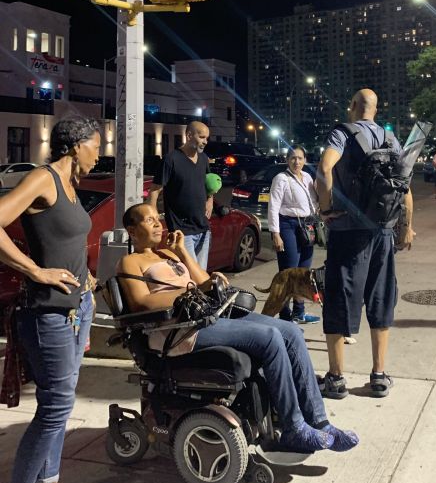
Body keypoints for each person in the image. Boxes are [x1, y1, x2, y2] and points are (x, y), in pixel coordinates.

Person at [117, 202, 359, 454]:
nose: (158, 223)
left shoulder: (169, 254)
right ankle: (294, 427)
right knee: (269, 338)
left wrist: (183, 253)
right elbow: (141, 302)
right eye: (149, 220)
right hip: (178, 331)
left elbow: (203, 282)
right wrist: (188, 294)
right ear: (132, 231)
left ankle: (319, 421)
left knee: (291, 332)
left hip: (206, 316)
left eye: (158, 218)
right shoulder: (130, 262)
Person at [0, 117, 102, 483]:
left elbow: (63, 239)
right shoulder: (43, 179)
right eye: (95, 145)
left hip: (76, 311)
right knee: (56, 406)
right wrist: (35, 270)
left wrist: (85, 274)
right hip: (48, 314)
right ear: (75, 146)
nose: (99, 153)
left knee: (60, 403)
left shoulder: (71, 186)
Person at [316, 89, 400, 400]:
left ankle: (337, 378)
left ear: (352, 106)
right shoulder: (390, 139)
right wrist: (406, 227)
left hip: (348, 230)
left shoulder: (342, 133)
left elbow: (324, 169)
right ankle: (379, 376)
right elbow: (403, 185)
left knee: (339, 298)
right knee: (381, 298)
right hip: (383, 232)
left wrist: (325, 209)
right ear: (376, 109)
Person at [147, 121, 213, 270]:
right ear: (189, 135)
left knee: (201, 275)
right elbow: (154, 191)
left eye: (207, 138)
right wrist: (152, 220)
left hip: (203, 229)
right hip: (181, 232)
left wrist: (210, 200)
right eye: (202, 137)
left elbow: (209, 184)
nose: (205, 142)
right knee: (190, 276)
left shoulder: (203, 159)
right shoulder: (171, 159)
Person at [267, 146, 320, 324]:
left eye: (300, 158)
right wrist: (276, 233)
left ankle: (299, 313)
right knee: (288, 273)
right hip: (288, 225)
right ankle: (284, 317)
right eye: (293, 158)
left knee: (304, 274)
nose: (296, 162)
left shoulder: (307, 177)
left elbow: (314, 200)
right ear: (287, 160)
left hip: (307, 226)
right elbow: (273, 206)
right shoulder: (281, 178)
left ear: (305, 160)